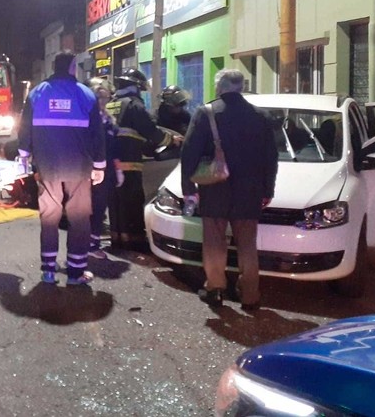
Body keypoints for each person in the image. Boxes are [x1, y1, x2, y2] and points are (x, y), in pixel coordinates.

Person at [180, 69, 278, 311]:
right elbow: (270, 158)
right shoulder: (260, 116)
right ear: (241, 87)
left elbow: (189, 152)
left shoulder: (206, 113)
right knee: (247, 245)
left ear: (219, 87)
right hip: (250, 192)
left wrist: (188, 187)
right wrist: (268, 189)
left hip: (215, 189)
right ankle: (250, 296)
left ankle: (215, 289)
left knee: (214, 242)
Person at [17, 51, 106, 286]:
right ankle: (76, 273)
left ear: (54, 67)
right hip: (79, 168)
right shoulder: (86, 94)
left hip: (47, 167)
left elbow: (24, 128)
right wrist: (99, 165)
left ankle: (48, 270)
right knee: (79, 219)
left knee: (49, 217)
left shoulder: (37, 93)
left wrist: (24, 156)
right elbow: (97, 134)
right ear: (72, 67)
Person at [106, 69, 181, 250]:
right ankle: (134, 241)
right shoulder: (134, 105)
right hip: (129, 162)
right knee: (131, 201)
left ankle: (117, 238)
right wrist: (171, 139)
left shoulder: (110, 104)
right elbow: (149, 130)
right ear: (135, 86)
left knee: (115, 201)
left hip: (110, 163)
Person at [87, 77, 119, 260]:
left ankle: (92, 242)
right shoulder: (89, 118)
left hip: (106, 169)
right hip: (91, 169)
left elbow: (113, 144)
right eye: (98, 97)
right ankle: (89, 245)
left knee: (99, 208)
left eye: (104, 97)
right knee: (91, 208)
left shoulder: (107, 117)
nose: (102, 101)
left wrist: (117, 167)